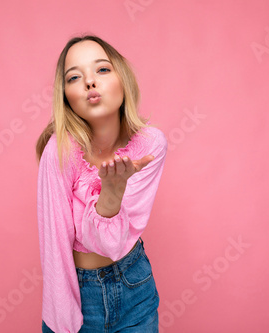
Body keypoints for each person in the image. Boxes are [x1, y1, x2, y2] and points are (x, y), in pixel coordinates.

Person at [35, 34, 167, 332]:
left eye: (102, 70)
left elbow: (112, 243)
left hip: (135, 286)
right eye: (74, 77)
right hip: (79, 294)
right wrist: (63, 320)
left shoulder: (150, 145)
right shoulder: (59, 152)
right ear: (66, 95)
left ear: (123, 79)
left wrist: (112, 192)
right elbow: (54, 245)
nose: (89, 82)